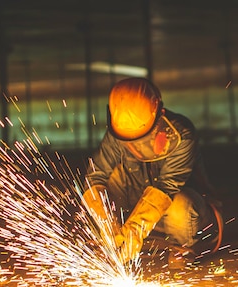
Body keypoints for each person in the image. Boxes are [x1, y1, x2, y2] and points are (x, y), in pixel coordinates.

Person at [82, 77, 222, 265]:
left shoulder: (181, 136)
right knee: (111, 178)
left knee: (180, 204)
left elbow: (166, 187)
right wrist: (108, 226)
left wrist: (135, 229)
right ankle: (118, 245)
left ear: (158, 109)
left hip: (182, 219)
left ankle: (182, 249)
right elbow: (95, 177)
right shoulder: (117, 134)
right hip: (138, 215)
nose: (132, 142)